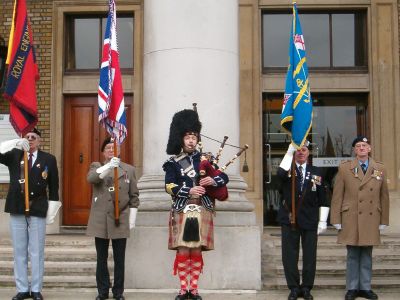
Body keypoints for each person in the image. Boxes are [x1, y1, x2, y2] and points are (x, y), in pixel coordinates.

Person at [162, 109, 229, 300]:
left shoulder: (206, 159)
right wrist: (188, 191)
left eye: (194, 136)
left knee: (197, 249)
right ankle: (184, 289)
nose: (191, 140)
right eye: (187, 136)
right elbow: (168, 186)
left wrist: (213, 182)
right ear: (181, 139)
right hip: (182, 207)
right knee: (183, 248)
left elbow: (223, 177)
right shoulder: (173, 163)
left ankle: (195, 289)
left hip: (202, 208)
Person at [0, 128, 60, 300]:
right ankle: (22, 289)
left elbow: (54, 187)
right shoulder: (14, 155)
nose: (31, 139)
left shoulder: (48, 159)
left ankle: (35, 289)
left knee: (36, 251)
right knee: (19, 251)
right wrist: (15, 143)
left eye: (34, 137)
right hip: (17, 206)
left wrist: (52, 210)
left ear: (40, 140)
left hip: (38, 207)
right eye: (27, 137)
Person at [330, 136, 389, 300]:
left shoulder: (380, 168)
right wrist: (336, 218)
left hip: (371, 217)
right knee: (353, 254)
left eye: (364, 145)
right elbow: (337, 195)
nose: (361, 148)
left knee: (367, 254)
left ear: (369, 148)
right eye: (358, 146)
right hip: (351, 217)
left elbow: (384, 196)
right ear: (355, 150)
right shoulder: (345, 168)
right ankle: (352, 288)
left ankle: (365, 287)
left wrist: (384, 220)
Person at [86, 137, 140, 300]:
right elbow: (92, 179)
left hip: (120, 217)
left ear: (120, 150)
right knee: (101, 257)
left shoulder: (128, 170)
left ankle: (118, 292)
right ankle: (102, 291)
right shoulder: (97, 166)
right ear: (103, 152)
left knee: (119, 258)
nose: (111, 150)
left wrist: (132, 219)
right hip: (100, 218)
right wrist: (109, 166)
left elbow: (134, 196)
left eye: (114, 147)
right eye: (108, 148)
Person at [277, 142, 329, 300]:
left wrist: (323, 221)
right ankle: (293, 287)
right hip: (289, 219)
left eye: (304, 150)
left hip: (310, 219)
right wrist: (288, 152)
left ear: (309, 153)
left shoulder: (316, 172)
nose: (300, 153)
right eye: (298, 150)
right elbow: (279, 174)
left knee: (309, 256)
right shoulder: (287, 170)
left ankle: (306, 287)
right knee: (289, 256)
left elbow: (323, 198)